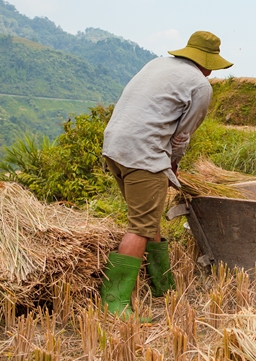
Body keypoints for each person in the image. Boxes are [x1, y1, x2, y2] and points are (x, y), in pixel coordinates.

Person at [99, 30, 232, 317]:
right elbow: (182, 136)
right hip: (143, 154)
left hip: (114, 146)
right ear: (208, 62)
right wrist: (173, 165)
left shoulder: (157, 64)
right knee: (140, 227)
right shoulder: (200, 86)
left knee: (148, 219)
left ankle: (163, 287)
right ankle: (113, 303)